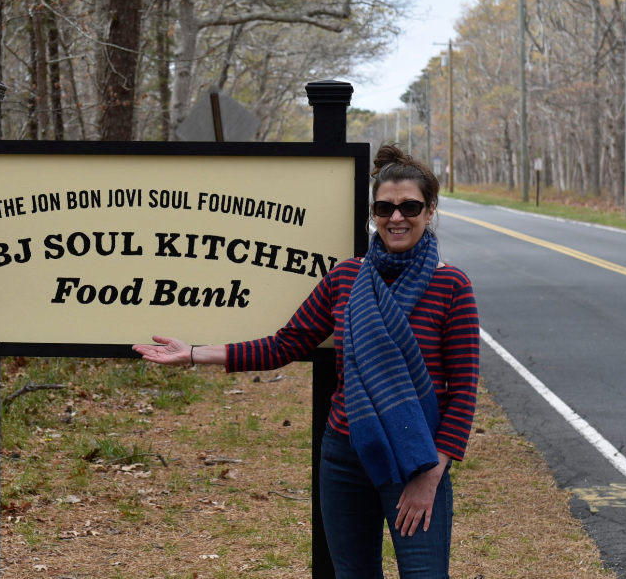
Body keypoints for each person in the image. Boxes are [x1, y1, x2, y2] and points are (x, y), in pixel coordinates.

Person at [134, 144, 479, 579]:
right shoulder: (347, 278)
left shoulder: (452, 286)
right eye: (384, 207)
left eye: (409, 206)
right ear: (372, 213)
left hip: (416, 457)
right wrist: (193, 354)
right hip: (346, 453)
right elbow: (286, 344)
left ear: (429, 211)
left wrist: (429, 477)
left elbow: (464, 392)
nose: (396, 217)